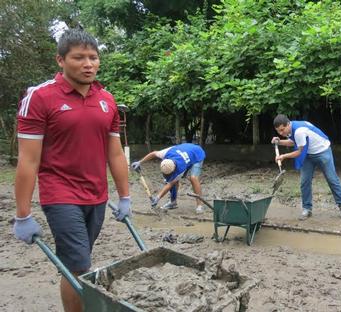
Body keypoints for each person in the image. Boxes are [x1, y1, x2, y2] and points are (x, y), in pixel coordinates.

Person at [13, 29, 131, 312]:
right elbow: (28, 160)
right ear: (61, 60)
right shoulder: (40, 97)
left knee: (76, 261)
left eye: (93, 57)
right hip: (60, 194)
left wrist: (125, 197)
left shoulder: (107, 100)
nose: (88, 64)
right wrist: (22, 215)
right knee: (79, 265)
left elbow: (114, 153)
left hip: (97, 194)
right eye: (79, 57)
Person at [272, 114, 341, 221]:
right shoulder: (292, 128)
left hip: (322, 151)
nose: (281, 133)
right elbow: (295, 142)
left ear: (288, 124)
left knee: (332, 179)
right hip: (308, 154)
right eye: (278, 131)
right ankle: (307, 209)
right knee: (304, 181)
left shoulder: (299, 130)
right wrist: (279, 141)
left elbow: (299, 152)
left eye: (282, 130)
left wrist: (283, 156)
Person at [131, 143, 205, 212]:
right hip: (185, 149)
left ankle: (199, 205)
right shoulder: (166, 153)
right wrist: (140, 162)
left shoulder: (180, 169)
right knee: (172, 180)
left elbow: (170, 184)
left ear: (174, 169)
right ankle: (173, 202)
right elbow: (153, 153)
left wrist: (157, 198)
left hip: (197, 154)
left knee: (193, 178)